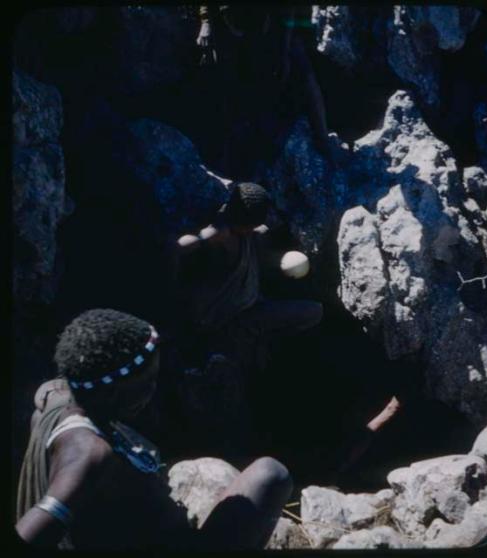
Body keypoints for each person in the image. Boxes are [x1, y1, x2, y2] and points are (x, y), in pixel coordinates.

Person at [15, 308, 293, 550]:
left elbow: (52, 387)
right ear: (112, 393)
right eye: (147, 382)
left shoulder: (61, 396)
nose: (154, 390)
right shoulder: (88, 454)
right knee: (270, 475)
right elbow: (32, 532)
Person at [175, 182, 324, 363]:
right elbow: (182, 246)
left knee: (309, 309)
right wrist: (200, 239)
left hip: (248, 302)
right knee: (313, 312)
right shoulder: (223, 234)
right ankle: (254, 343)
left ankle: (259, 342)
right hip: (231, 320)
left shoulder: (246, 231)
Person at [195, 5, 334, 174]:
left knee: (303, 73)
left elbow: (287, 12)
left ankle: (323, 140)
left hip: (268, 23)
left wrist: (284, 50)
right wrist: (206, 21)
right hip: (228, 21)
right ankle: (226, 154)